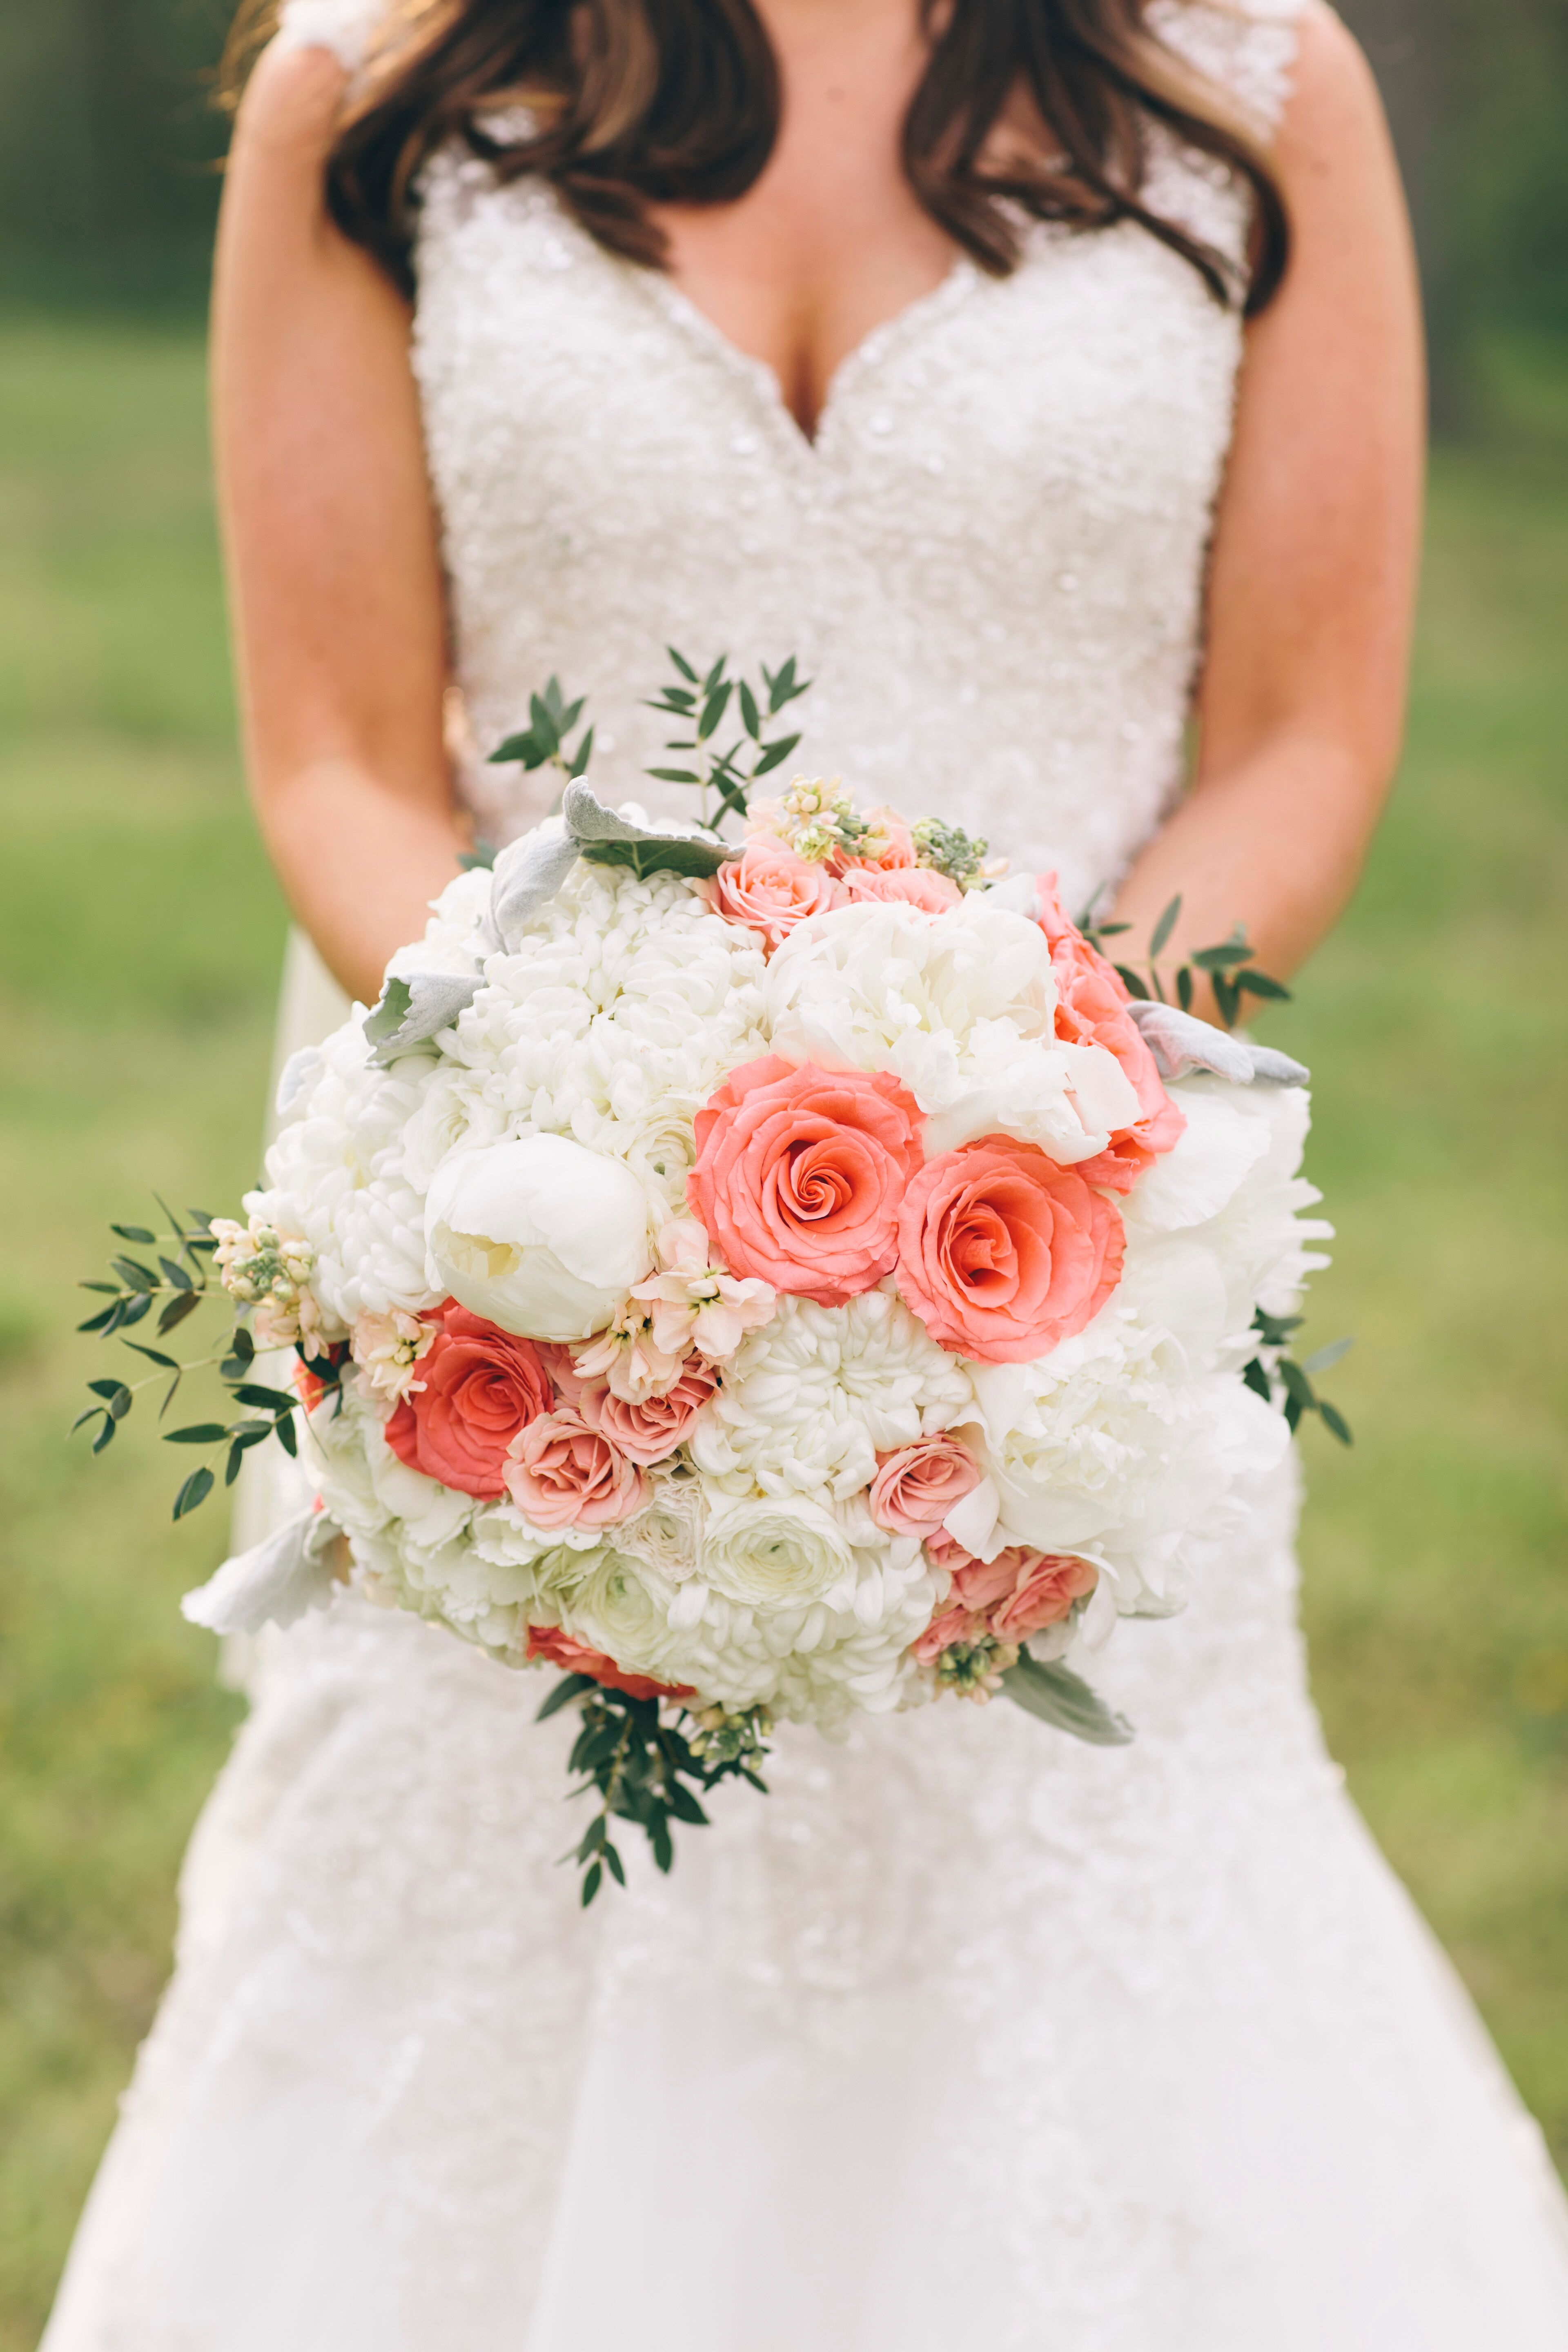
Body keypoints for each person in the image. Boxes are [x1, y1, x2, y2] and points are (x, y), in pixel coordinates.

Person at [42, 1, 1568, 2344]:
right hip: (535, 1272)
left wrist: (1021, 1117)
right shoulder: (383, 86)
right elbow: (340, 755)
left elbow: (1304, 737)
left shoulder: (1250, 87)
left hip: (1071, 1252)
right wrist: (595, 1137)